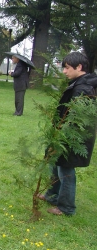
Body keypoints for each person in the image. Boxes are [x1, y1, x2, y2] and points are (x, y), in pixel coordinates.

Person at [38, 52, 97, 216]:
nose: (64, 71)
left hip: (72, 137)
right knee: (55, 164)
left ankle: (66, 207)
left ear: (79, 67)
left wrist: (62, 138)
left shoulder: (83, 88)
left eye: (67, 68)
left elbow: (76, 119)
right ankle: (52, 195)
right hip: (64, 134)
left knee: (66, 170)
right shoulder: (79, 83)